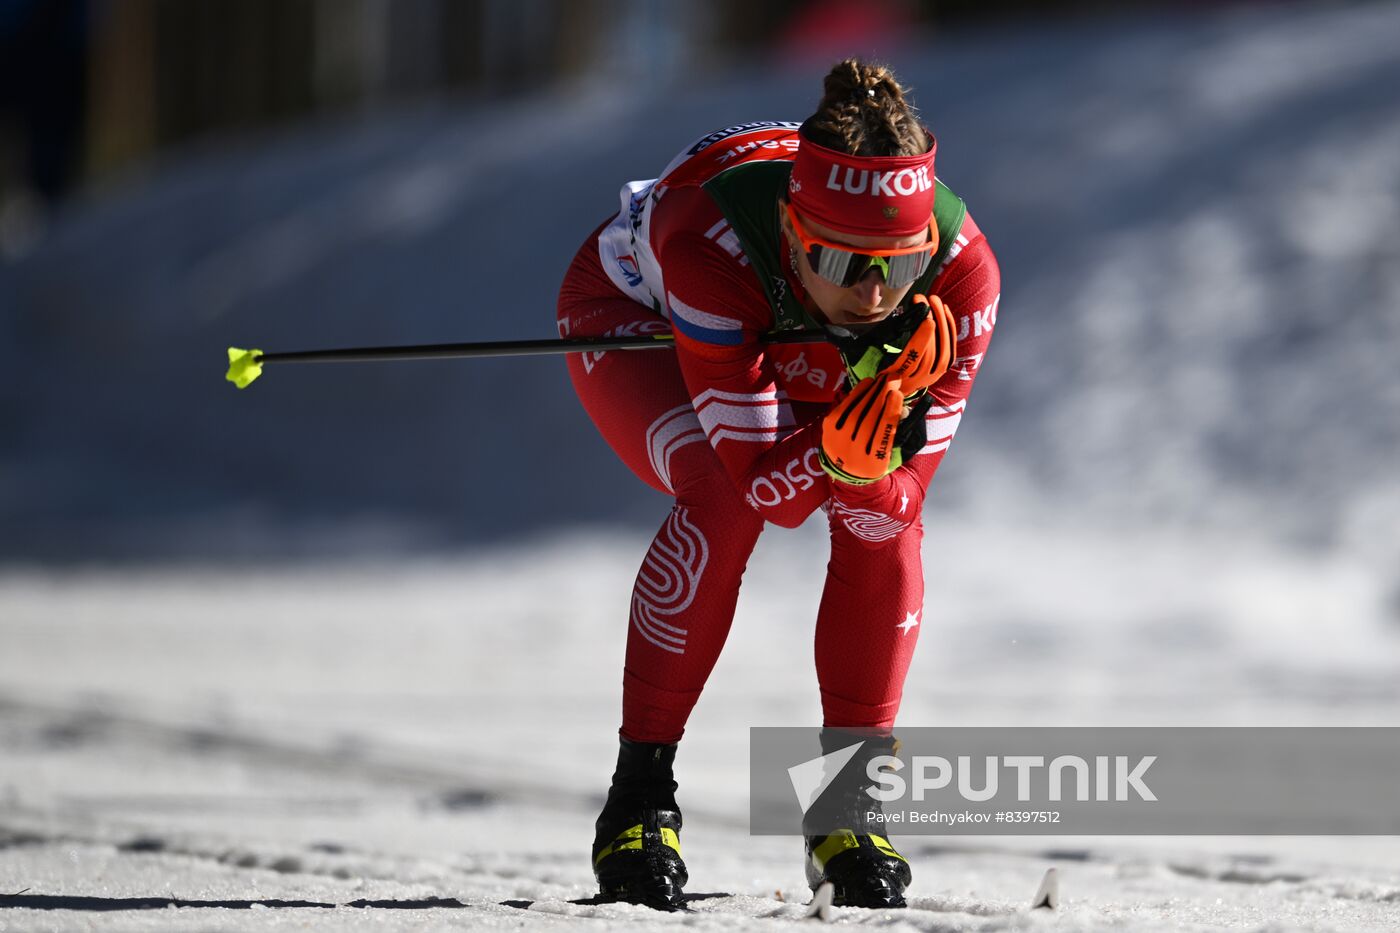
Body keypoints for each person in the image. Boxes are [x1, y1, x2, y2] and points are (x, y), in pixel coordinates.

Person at [556, 58, 1000, 910]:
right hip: (639, 310)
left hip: (787, 318)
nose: (874, 294)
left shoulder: (962, 272)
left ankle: (850, 806)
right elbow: (774, 492)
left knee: (882, 518)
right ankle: (639, 799)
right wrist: (839, 447)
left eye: (897, 268)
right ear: (796, 229)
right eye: (844, 257)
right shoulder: (711, 242)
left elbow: (902, 499)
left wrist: (870, 447)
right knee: (721, 497)